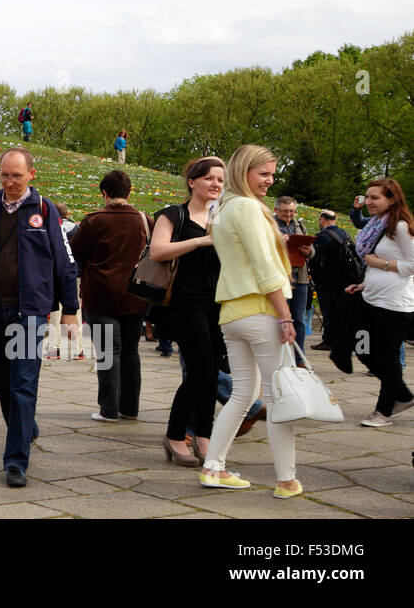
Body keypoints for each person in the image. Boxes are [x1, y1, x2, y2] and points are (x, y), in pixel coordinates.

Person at [0, 147, 80, 487]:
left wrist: (71, 310)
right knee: (1, 380)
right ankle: (27, 429)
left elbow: (65, 263)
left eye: (16, 176)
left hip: (30, 312)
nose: (9, 182)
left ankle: (15, 461)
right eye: (5, 175)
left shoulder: (44, 210)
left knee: (23, 383)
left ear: (30, 175)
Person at [202, 145, 301, 497]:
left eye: (273, 174)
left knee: (241, 395)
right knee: (276, 399)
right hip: (260, 310)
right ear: (244, 171)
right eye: (264, 173)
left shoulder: (224, 207)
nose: (270, 181)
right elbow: (265, 266)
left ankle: (214, 467)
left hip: (233, 311)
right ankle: (286, 479)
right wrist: (285, 315)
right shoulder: (245, 207)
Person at [147, 158, 226, 466]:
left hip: (219, 302)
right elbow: (158, 250)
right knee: (202, 370)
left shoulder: (224, 216)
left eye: (220, 179)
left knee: (211, 372)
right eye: (208, 178)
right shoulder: (173, 214)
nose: (216, 184)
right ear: (192, 182)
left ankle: (204, 436)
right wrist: (201, 240)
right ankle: (175, 434)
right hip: (184, 302)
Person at [71, 170, 150, 423]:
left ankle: (108, 409)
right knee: (130, 352)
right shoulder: (144, 219)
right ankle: (130, 407)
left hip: (101, 296)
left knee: (108, 353)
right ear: (129, 192)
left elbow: (75, 252)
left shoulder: (94, 221)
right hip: (135, 297)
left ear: (104, 193)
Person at [348, 178, 414, 426]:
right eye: (368, 196)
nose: (369, 202)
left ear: (392, 199)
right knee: (362, 348)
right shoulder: (377, 225)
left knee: (387, 356)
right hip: (371, 297)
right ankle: (404, 395)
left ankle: (383, 411)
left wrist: (381, 264)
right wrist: (364, 283)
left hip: (394, 304)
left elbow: (412, 264)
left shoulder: (400, 227)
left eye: (375, 198)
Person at [305, 210, 351, 351]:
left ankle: (329, 341)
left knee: (328, 310)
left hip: (327, 280)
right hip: (345, 279)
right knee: (341, 310)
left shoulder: (323, 237)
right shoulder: (345, 233)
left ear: (322, 219)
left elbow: (315, 259)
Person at [273, 196, 312, 363]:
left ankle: (299, 357)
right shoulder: (270, 225)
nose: (289, 215)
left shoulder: (299, 225)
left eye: (292, 211)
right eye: (285, 211)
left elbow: (312, 251)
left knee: (299, 318)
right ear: (276, 210)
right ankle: (280, 356)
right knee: (279, 317)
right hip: (280, 275)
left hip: (300, 275)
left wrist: (308, 251)